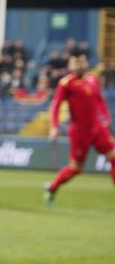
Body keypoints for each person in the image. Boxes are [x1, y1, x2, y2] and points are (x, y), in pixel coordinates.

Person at [44, 53, 115, 205]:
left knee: (114, 157)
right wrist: (54, 126)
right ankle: (52, 187)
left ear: (86, 63)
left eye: (82, 61)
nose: (79, 65)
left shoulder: (93, 79)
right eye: (76, 62)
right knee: (76, 168)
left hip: (97, 128)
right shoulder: (66, 83)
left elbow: (100, 100)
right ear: (70, 66)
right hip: (79, 133)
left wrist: (106, 118)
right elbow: (56, 105)